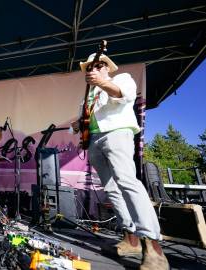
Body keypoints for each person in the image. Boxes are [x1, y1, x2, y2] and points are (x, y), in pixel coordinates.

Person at [71, 53, 168, 269]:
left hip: (117, 134)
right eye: (89, 68)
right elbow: (86, 121)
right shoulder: (86, 97)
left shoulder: (121, 79)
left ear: (106, 67)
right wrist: (80, 129)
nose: (92, 70)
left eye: (97, 66)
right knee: (111, 189)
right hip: (95, 141)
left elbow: (125, 95)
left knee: (127, 182)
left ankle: (153, 247)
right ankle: (130, 238)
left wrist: (103, 83)